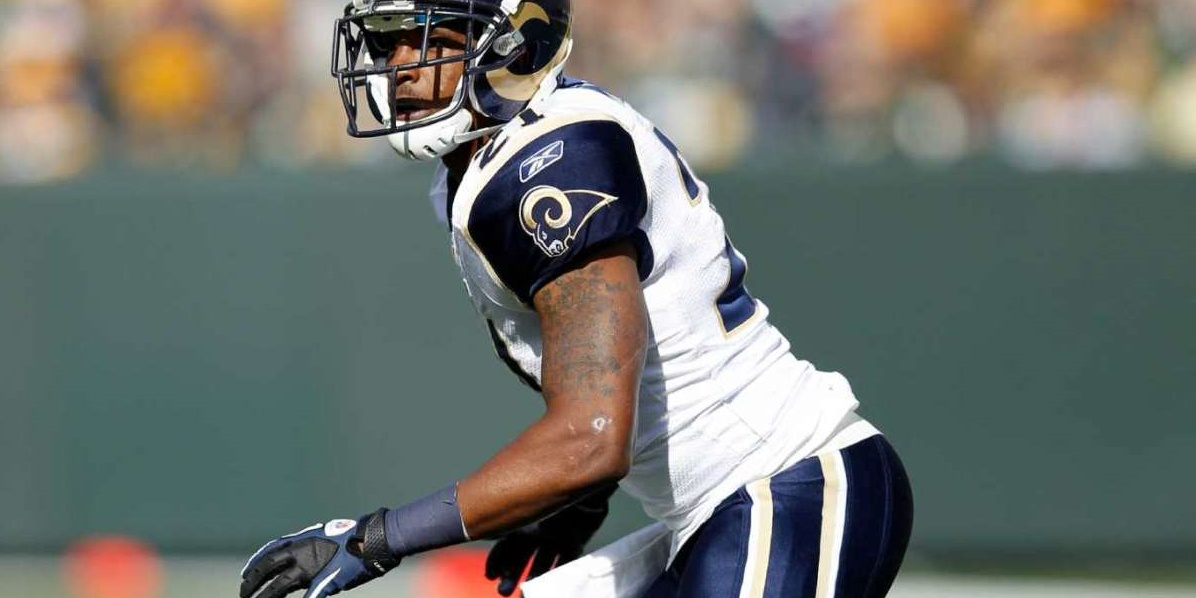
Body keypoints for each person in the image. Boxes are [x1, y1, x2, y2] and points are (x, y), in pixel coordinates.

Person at [238, 1, 914, 597]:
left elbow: (591, 439)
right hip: (720, 507)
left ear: (515, 45)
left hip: (784, 486)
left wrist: (377, 540)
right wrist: (577, 506)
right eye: (391, 44)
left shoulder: (551, 160)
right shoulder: (491, 162)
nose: (402, 68)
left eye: (435, 40)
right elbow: (623, 381)